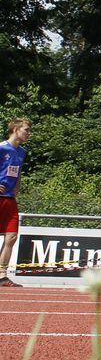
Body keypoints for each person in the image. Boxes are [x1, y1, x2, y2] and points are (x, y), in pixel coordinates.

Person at [0, 118, 29, 287]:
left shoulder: (22, 152)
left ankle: (2, 275)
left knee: (11, 237)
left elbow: (17, 172)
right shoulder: (2, 147)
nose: (28, 133)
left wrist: (17, 186)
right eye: (26, 130)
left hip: (10, 199)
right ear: (15, 130)